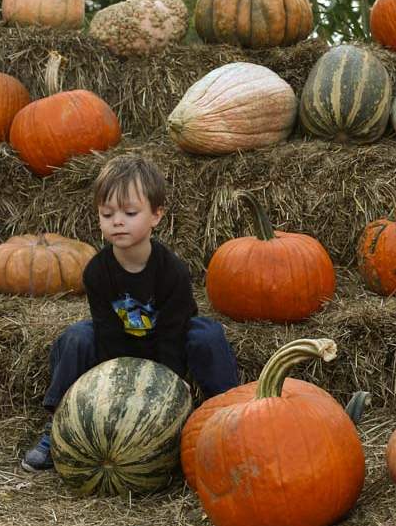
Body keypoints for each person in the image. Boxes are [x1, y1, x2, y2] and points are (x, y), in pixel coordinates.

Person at [22, 154, 239, 471]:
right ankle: (59, 430)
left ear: (156, 215)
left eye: (129, 212)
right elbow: (107, 329)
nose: (117, 221)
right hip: (119, 343)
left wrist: (169, 380)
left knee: (207, 334)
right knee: (76, 337)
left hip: (167, 341)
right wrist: (120, 383)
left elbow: (174, 331)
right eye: (107, 213)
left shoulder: (172, 271)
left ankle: (229, 417)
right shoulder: (97, 272)